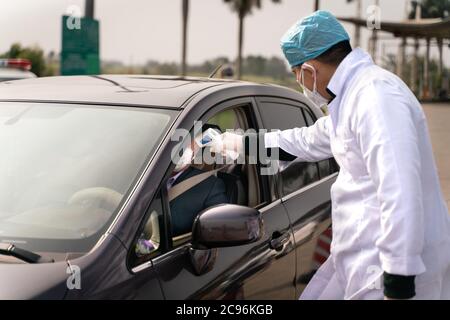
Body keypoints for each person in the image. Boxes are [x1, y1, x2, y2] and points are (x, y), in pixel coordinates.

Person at [210, 10, 450, 300]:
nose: (300, 81)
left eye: (296, 72)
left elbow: (400, 192)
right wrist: (229, 143)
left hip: (391, 274)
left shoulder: (376, 97)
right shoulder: (349, 99)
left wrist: (398, 285)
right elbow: (302, 142)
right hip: (358, 261)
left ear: (310, 69)